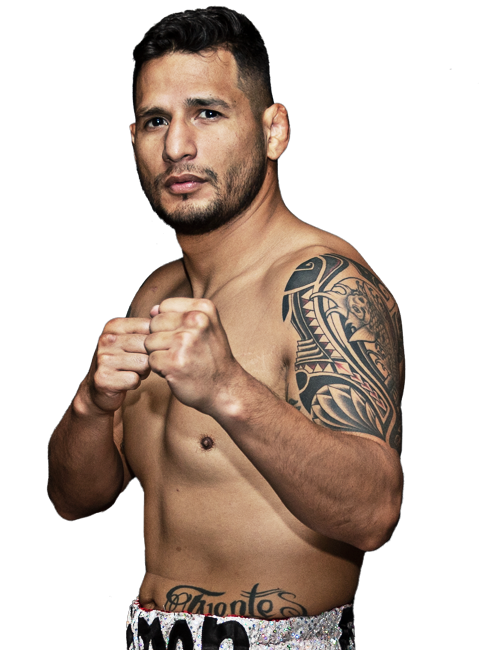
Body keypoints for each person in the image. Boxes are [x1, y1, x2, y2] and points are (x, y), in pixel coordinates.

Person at [47, 6, 404, 649]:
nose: (177, 147)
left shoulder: (324, 285)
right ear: (134, 138)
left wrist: (228, 388)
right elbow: (76, 499)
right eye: (156, 120)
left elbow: (374, 511)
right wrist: (90, 406)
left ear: (273, 130)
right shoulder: (158, 294)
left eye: (207, 113)